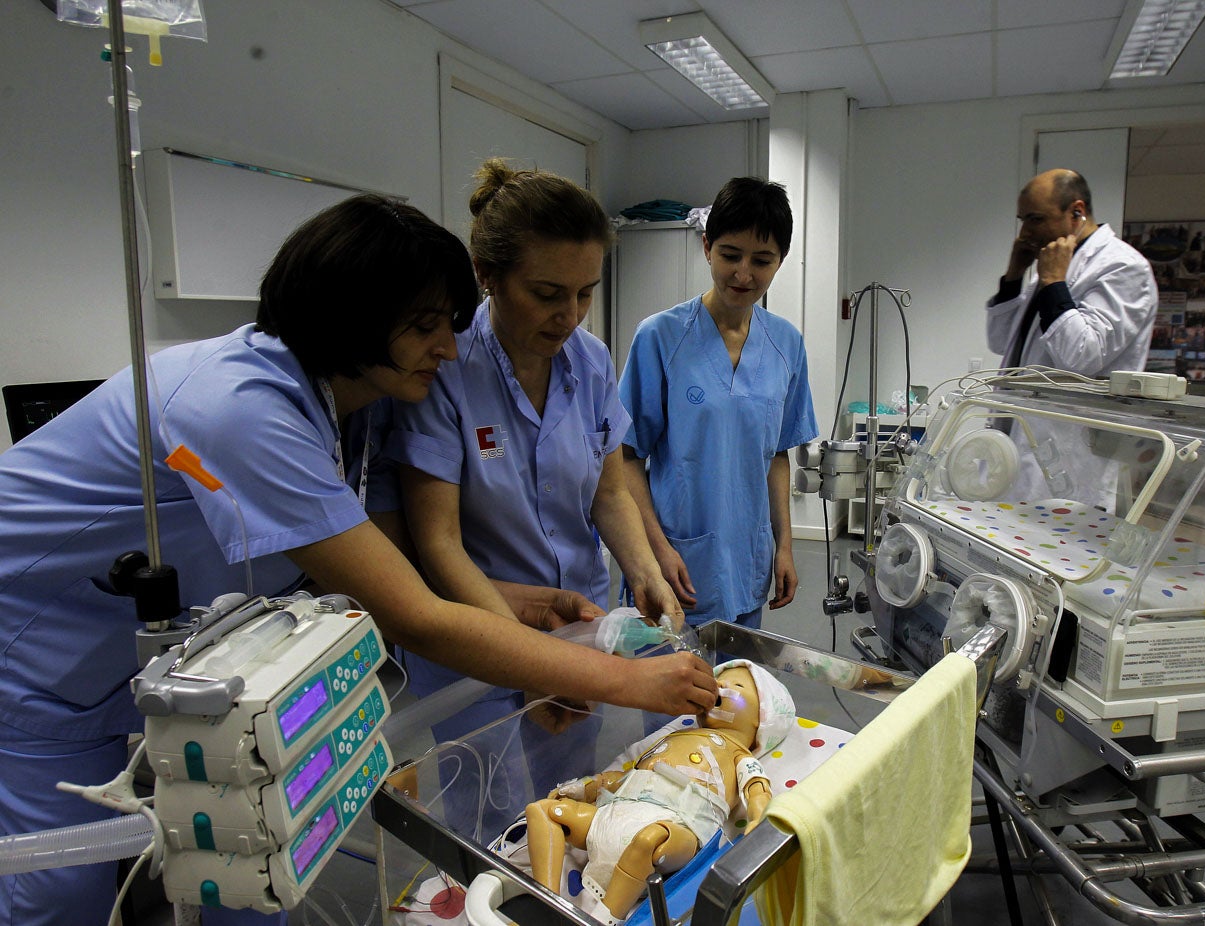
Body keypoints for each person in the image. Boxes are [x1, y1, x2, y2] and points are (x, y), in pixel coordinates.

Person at [0, 195, 716, 926]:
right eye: (425, 327)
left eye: (450, 323)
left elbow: (352, 565)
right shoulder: (237, 408)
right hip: (40, 666)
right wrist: (628, 680)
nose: (447, 348)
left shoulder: (358, 406)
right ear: (351, 317)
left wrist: (515, 599)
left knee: (249, 878)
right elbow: (413, 613)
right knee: (62, 890)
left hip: (186, 664)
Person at [387, 159, 682, 783]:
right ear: (487, 276)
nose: (569, 315)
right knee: (491, 825)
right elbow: (437, 543)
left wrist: (644, 572)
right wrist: (526, 665)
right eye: (547, 295)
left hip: (578, 625)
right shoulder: (444, 369)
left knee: (569, 794)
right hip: (480, 635)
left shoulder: (590, 361)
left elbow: (609, 493)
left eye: (585, 293)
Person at [619, 177, 818, 629]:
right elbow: (626, 456)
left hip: (748, 560)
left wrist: (784, 545)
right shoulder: (660, 337)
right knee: (672, 693)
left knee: (738, 695)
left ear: (780, 261)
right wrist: (655, 550)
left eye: (762, 260)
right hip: (676, 563)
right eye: (730, 255)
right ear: (707, 246)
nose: (744, 275)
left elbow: (777, 453)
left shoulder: (786, 343)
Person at [525, 660, 794, 924]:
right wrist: (586, 788)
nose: (720, 684)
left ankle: (605, 917)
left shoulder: (738, 754)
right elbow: (625, 777)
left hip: (676, 827)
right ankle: (547, 901)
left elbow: (757, 788)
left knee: (648, 838)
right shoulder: (672, 738)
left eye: (737, 685)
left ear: (762, 719)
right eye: (719, 680)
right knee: (543, 811)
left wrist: (759, 819)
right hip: (613, 814)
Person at [985, 168, 1158, 501]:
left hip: (1069, 452)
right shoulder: (1056, 267)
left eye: (1035, 219)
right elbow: (1000, 342)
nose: (1025, 233)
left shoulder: (1122, 266)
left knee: (1051, 544)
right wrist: (1013, 276)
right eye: (1022, 220)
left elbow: (1083, 356)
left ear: (1076, 212)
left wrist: (1053, 284)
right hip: (1016, 437)